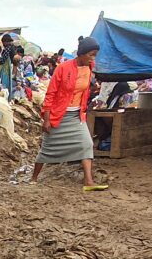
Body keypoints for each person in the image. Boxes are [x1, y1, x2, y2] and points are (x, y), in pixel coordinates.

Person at [30, 37, 107, 192]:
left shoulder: (89, 67)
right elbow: (50, 94)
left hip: (76, 115)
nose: (93, 58)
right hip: (58, 115)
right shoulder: (63, 68)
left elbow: (85, 89)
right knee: (47, 148)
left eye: (95, 55)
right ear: (82, 53)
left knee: (86, 144)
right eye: (91, 54)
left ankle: (88, 181)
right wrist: (46, 119)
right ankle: (34, 178)